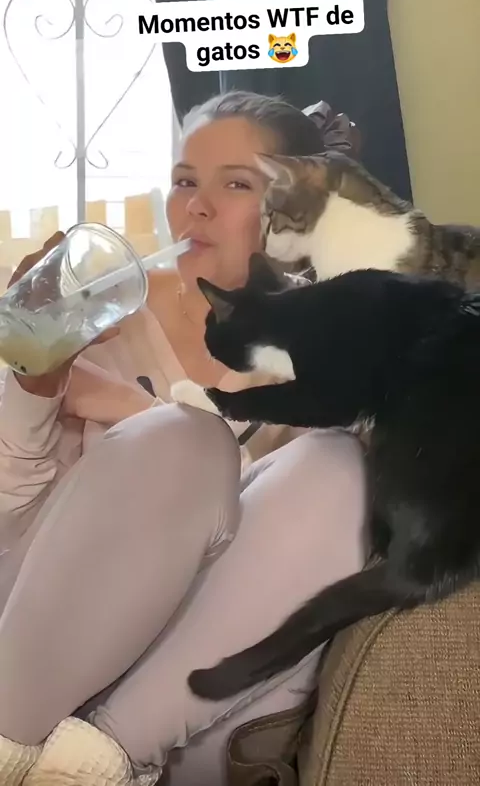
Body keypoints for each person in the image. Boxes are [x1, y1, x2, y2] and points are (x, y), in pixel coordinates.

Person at [0, 91, 366, 786]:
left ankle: (93, 766)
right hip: (31, 668)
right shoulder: (92, 311)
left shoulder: (334, 351)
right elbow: (9, 519)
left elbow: (312, 539)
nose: (196, 207)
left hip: (180, 719)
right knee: (180, 440)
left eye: (237, 184)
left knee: (338, 467)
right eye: (184, 181)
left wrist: (126, 407)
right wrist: (36, 382)